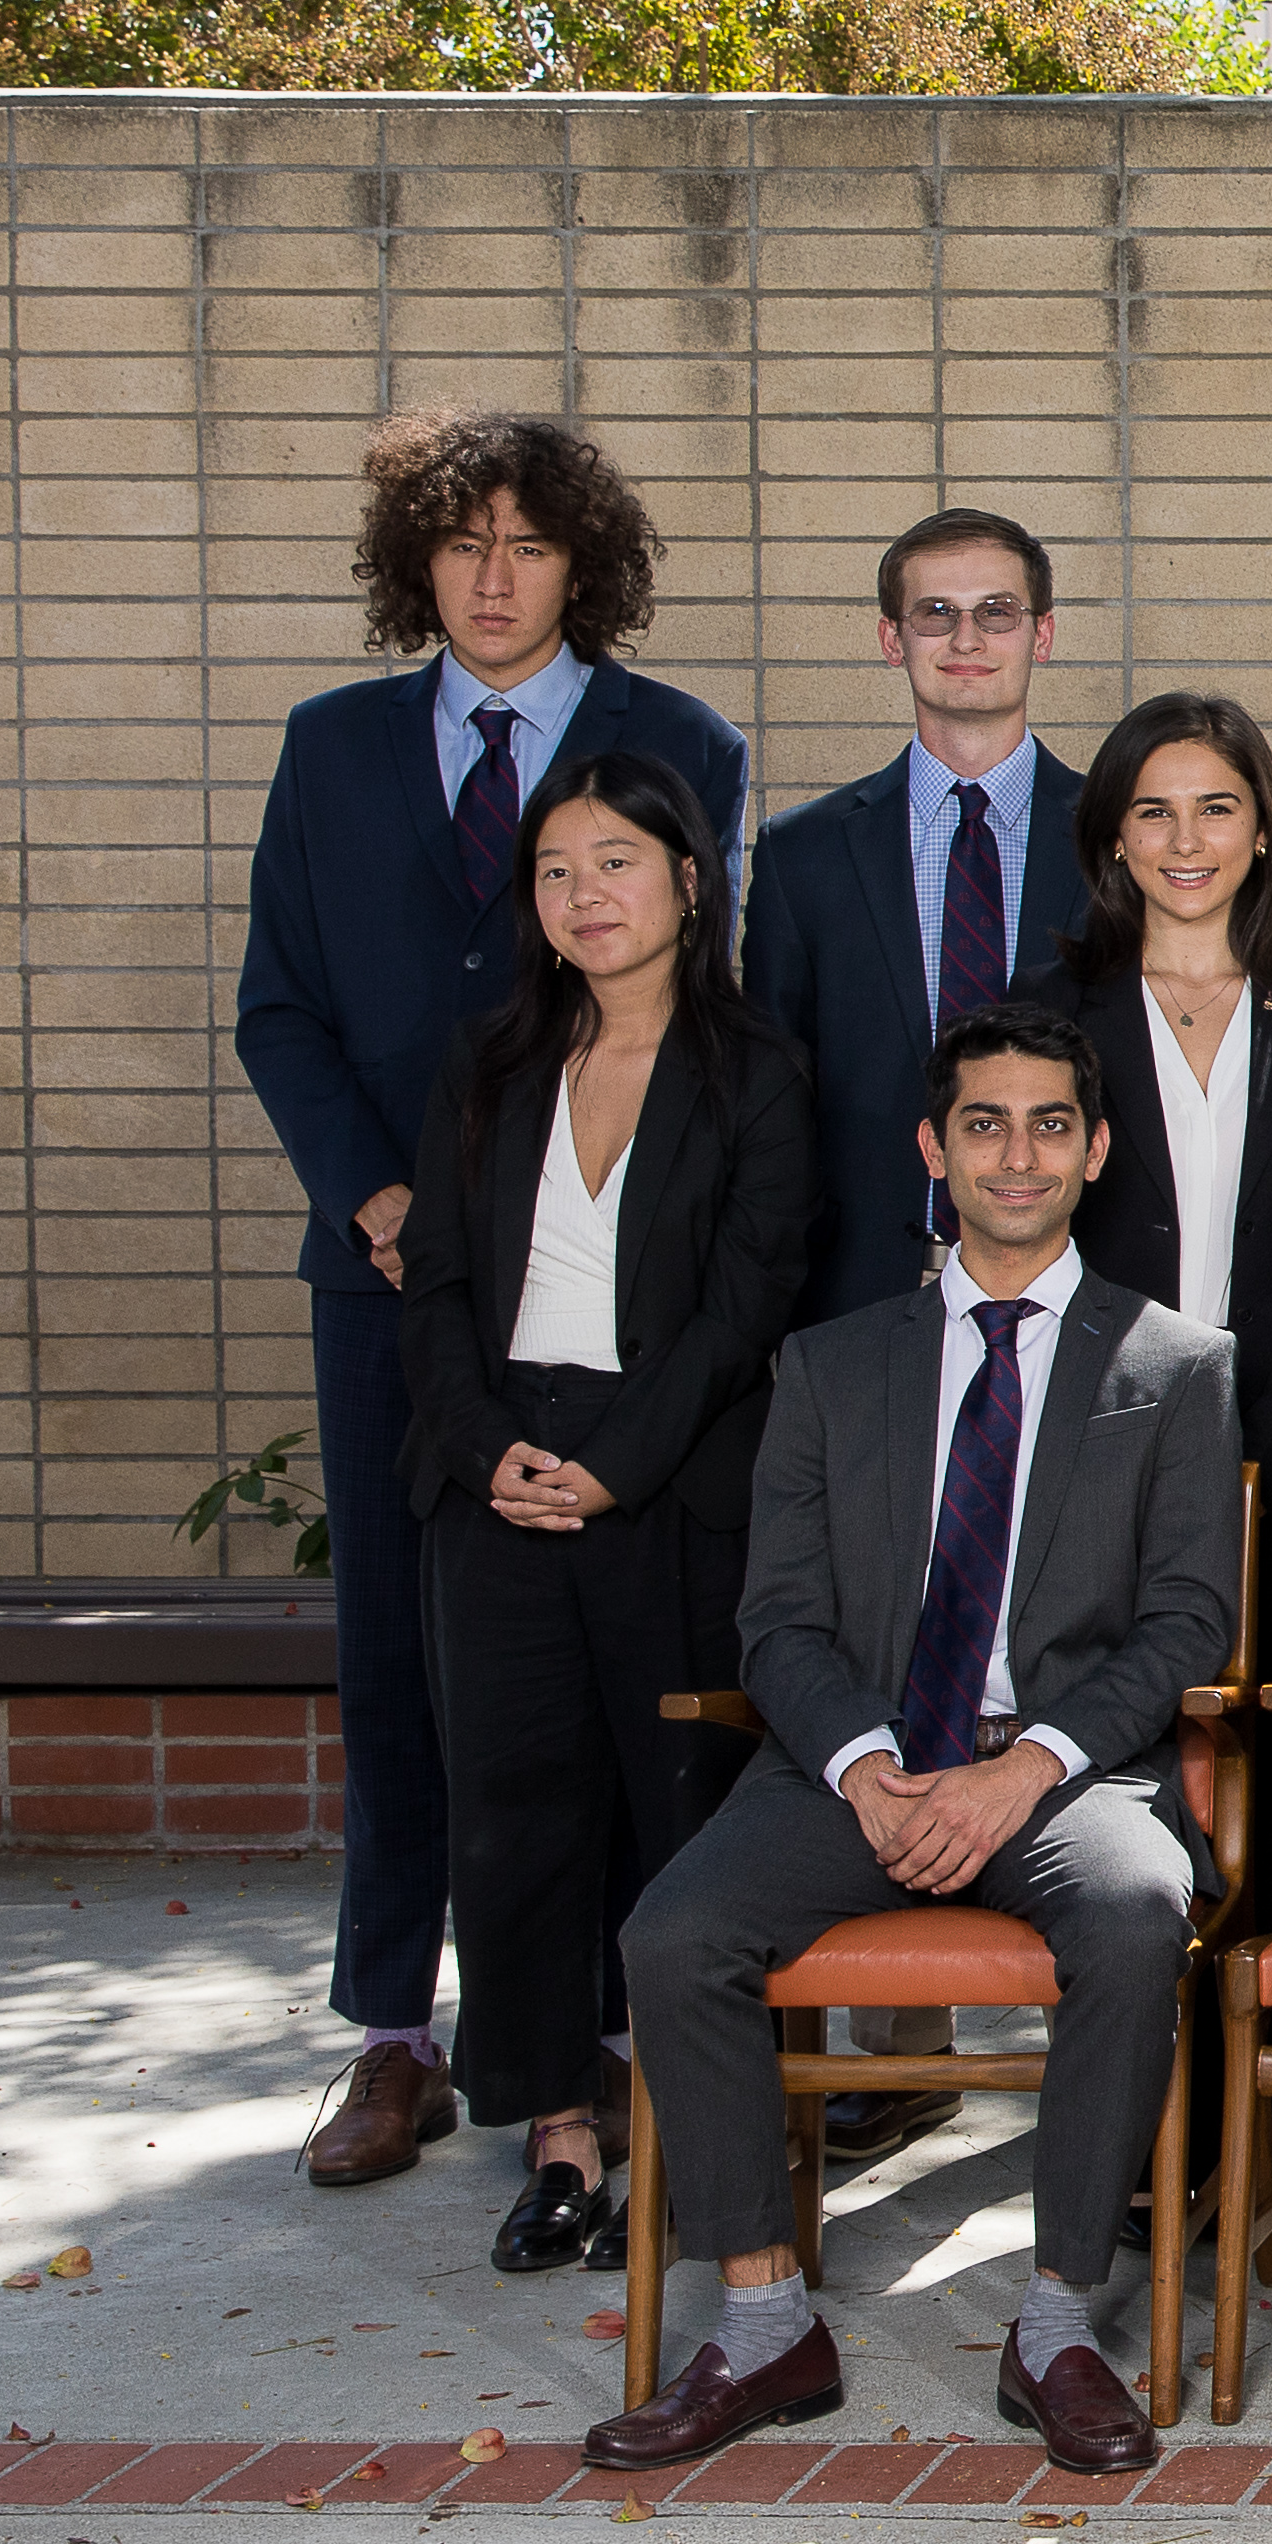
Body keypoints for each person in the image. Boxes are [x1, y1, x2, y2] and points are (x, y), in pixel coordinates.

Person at [586, 1011, 1245, 2480]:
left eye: (1051, 1122)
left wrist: (1024, 1768)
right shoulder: (826, 1367)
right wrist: (872, 1769)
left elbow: (1189, 1618)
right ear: (933, 1149)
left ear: (1096, 1149)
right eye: (987, 1123)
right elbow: (778, 1620)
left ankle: (1060, 2324)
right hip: (862, 1760)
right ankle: (764, 2327)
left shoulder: (1177, 1361)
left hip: (1061, 1769)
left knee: (1141, 1915)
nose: (1019, 1152)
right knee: (675, 1930)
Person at [232, 405, 748, 2193]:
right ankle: (395, 2030)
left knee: (619, 1666)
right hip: (390, 1279)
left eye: (531, 543)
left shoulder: (679, 744)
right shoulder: (333, 749)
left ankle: (603, 2033)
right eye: (462, 543)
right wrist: (378, 1198)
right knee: (401, 1648)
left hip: (611, 1288)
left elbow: (701, 1005)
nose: (495, 574)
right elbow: (278, 1010)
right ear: (415, 565)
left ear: (582, 562)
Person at [392, 747, 816, 2282]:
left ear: (688, 881)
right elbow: (435, 1277)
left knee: (678, 1806)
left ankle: (689, 2132)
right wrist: (487, 1442)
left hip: (671, 1477)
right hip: (493, 1472)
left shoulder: (755, 1068)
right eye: (557, 869)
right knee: (513, 1814)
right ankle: (557, 2131)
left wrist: (616, 1464)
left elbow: (746, 1295)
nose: (586, 893)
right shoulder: (489, 1061)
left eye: (617, 862)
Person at [1061, 692, 1272, 1684]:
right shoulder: (1050, 1012)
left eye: (1217, 806)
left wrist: (1262, 1449)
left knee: (1264, 1740)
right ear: (1115, 836)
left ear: (1261, 831)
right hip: (1086, 1451)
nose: (1186, 838)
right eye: (1153, 810)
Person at [745, 507, 1094, 1320]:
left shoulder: (1114, 843)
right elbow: (767, 1102)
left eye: (995, 612)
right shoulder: (803, 857)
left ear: (1041, 635)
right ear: (889, 637)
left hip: (1077, 1293)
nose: (965, 640)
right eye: (935, 614)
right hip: (856, 1291)